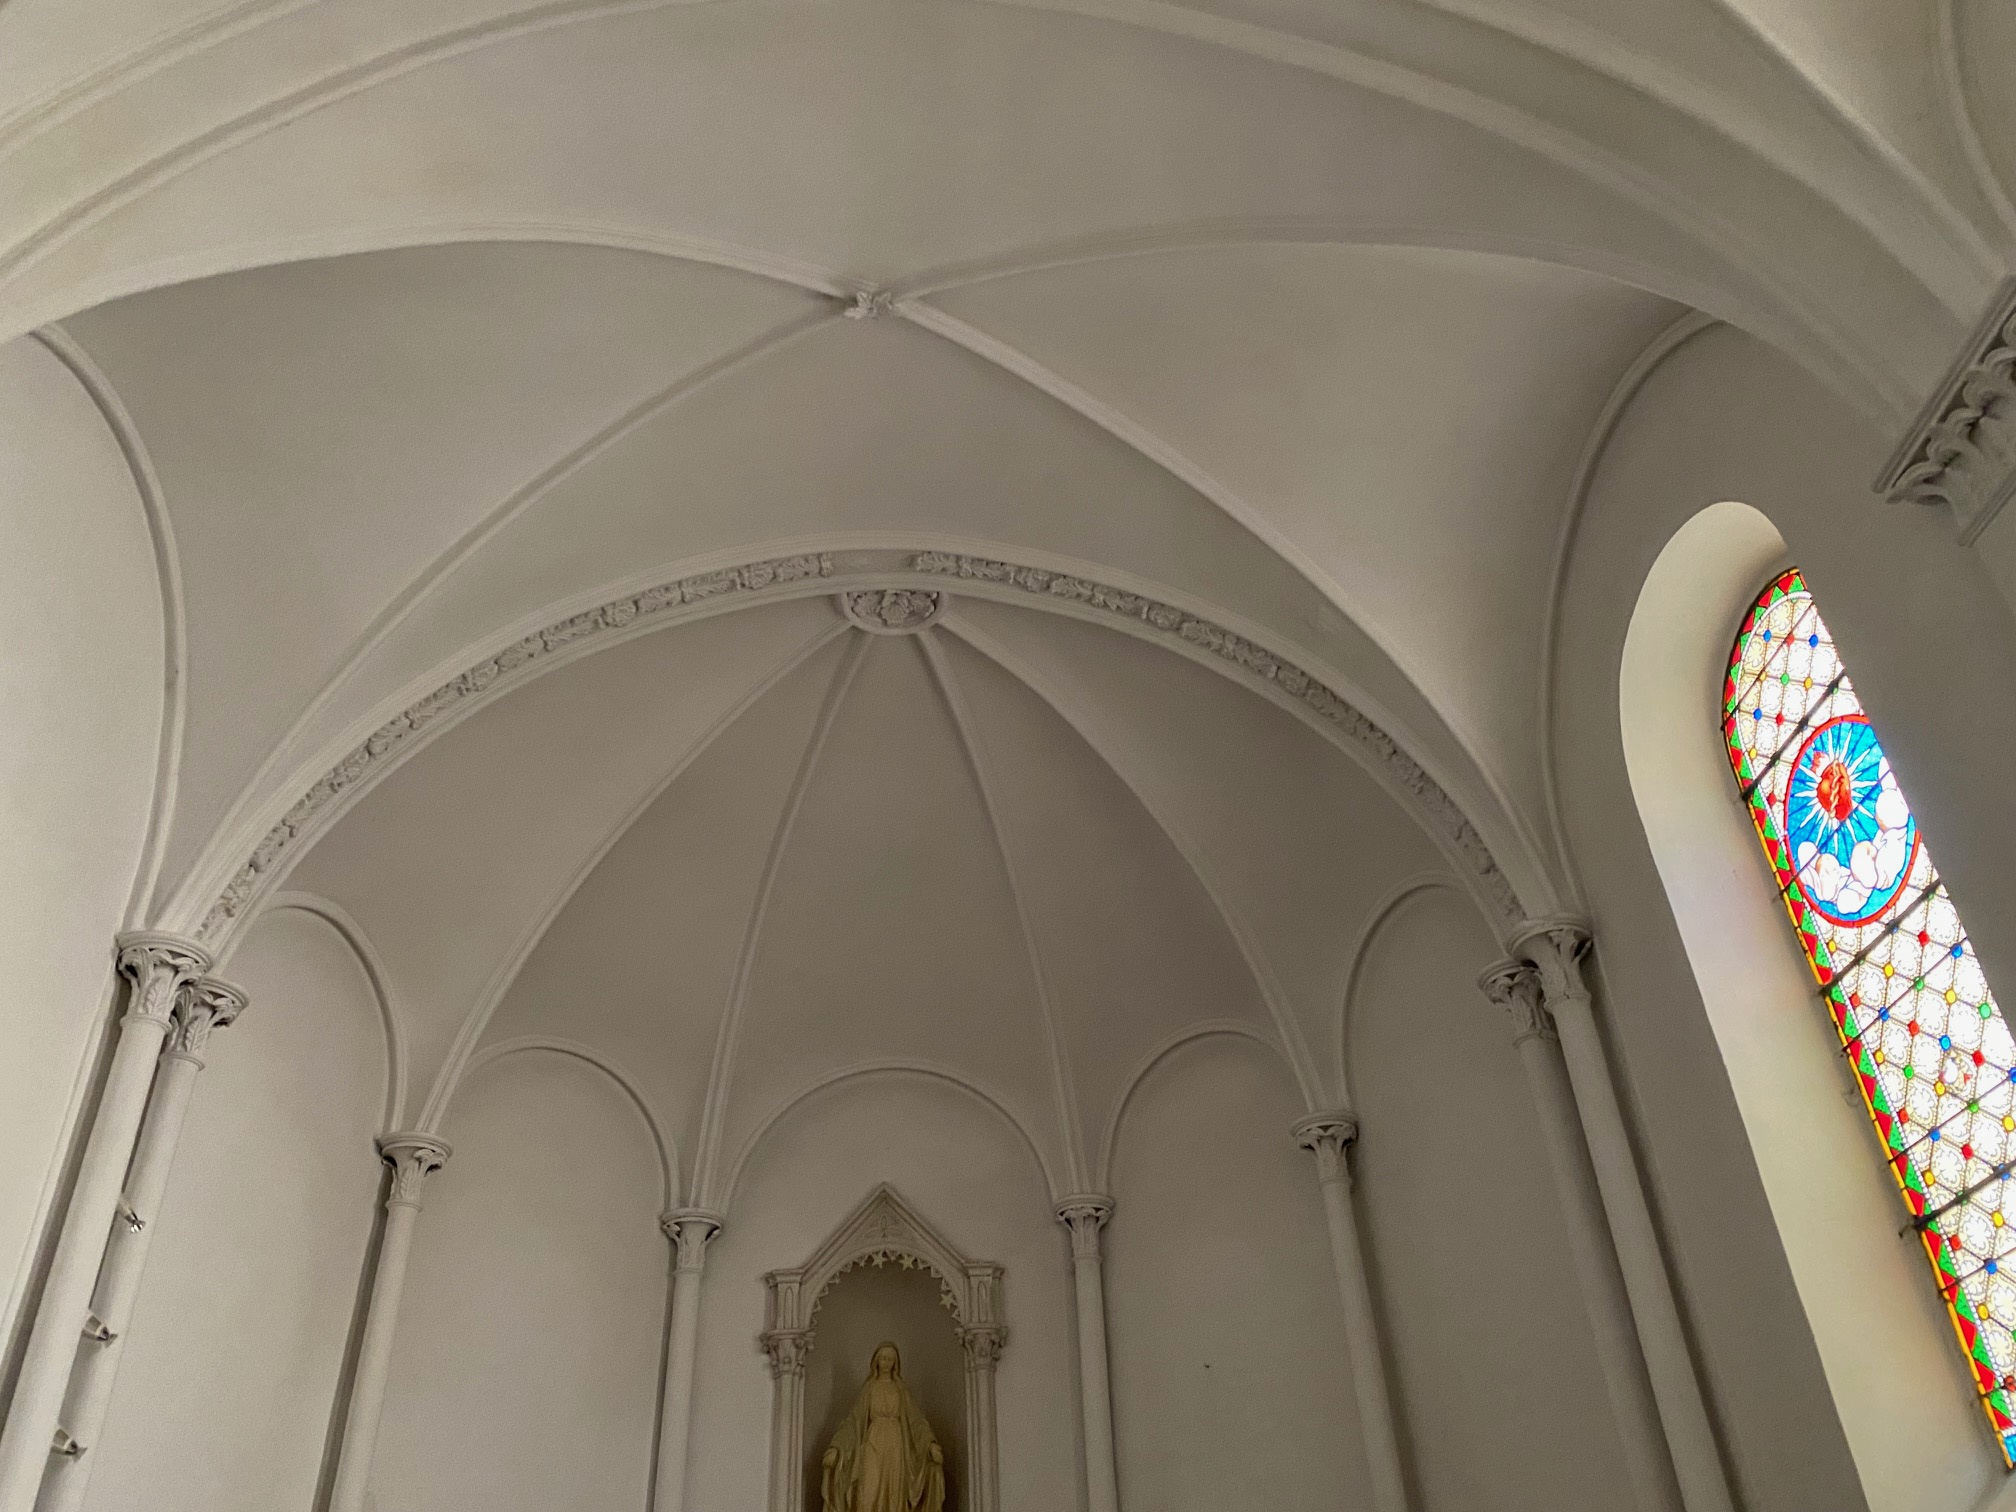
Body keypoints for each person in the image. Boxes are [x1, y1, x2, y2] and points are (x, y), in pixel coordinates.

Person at [819, 1342, 947, 1512]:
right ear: (876, 1361)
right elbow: (853, 1423)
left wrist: (930, 1445)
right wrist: (836, 1448)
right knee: (867, 1491)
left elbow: (916, 1422)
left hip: (896, 1445)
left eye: (890, 1359)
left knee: (894, 1494)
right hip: (873, 1443)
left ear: (896, 1363)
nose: (887, 1363)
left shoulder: (901, 1390)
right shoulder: (869, 1389)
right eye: (883, 1358)